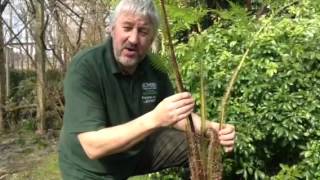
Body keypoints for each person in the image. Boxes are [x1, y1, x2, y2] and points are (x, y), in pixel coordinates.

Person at [58, 0, 236, 179]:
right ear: (112, 29)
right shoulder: (86, 67)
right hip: (89, 169)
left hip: (135, 153)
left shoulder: (154, 67)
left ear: (151, 39)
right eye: (127, 28)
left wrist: (213, 128)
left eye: (143, 32)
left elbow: (177, 116)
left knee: (201, 147)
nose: (134, 39)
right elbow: (92, 146)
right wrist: (156, 118)